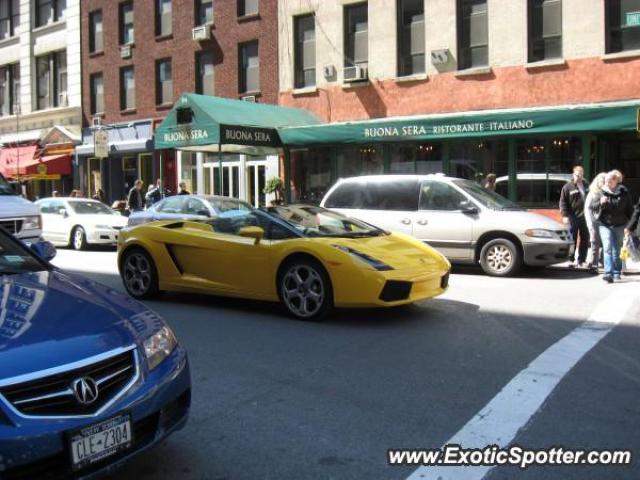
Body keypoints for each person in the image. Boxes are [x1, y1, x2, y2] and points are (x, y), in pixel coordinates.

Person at [590, 170, 633, 283]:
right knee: (607, 248)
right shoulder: (601, 192)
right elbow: (592, 206)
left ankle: (617, 272)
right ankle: (608, 273)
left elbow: (630, 209)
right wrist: (600, 202)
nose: (607, 183)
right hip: (605, 224)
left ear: (616, 181)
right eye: (606, 181)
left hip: (620, 224)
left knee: (616, 250)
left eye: (609, 181)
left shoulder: (624, 192)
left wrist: (630, 226)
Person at [559, 165, 590, 267]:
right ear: (573, 174)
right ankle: (570, 259)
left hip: (585, 217)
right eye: (577, 175)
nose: (579, 177)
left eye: (581, 175)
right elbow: (563, 202)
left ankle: (582, 260)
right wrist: (564, 215)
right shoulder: (567, 187)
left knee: (585, 238)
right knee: (572, 239)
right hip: (573, 216)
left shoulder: (586, 185)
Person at [584, 172, 606, 272]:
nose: (603, 183)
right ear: (597, 182)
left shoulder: (606, 192)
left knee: (605, 242)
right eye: (601, 181)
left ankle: (602, 260)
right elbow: (587, 209)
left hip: (604, 221)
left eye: (605, 181)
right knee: (595, 242)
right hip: (594, 221)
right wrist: (590, 223)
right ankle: (594, 263)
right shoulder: (592, 193)